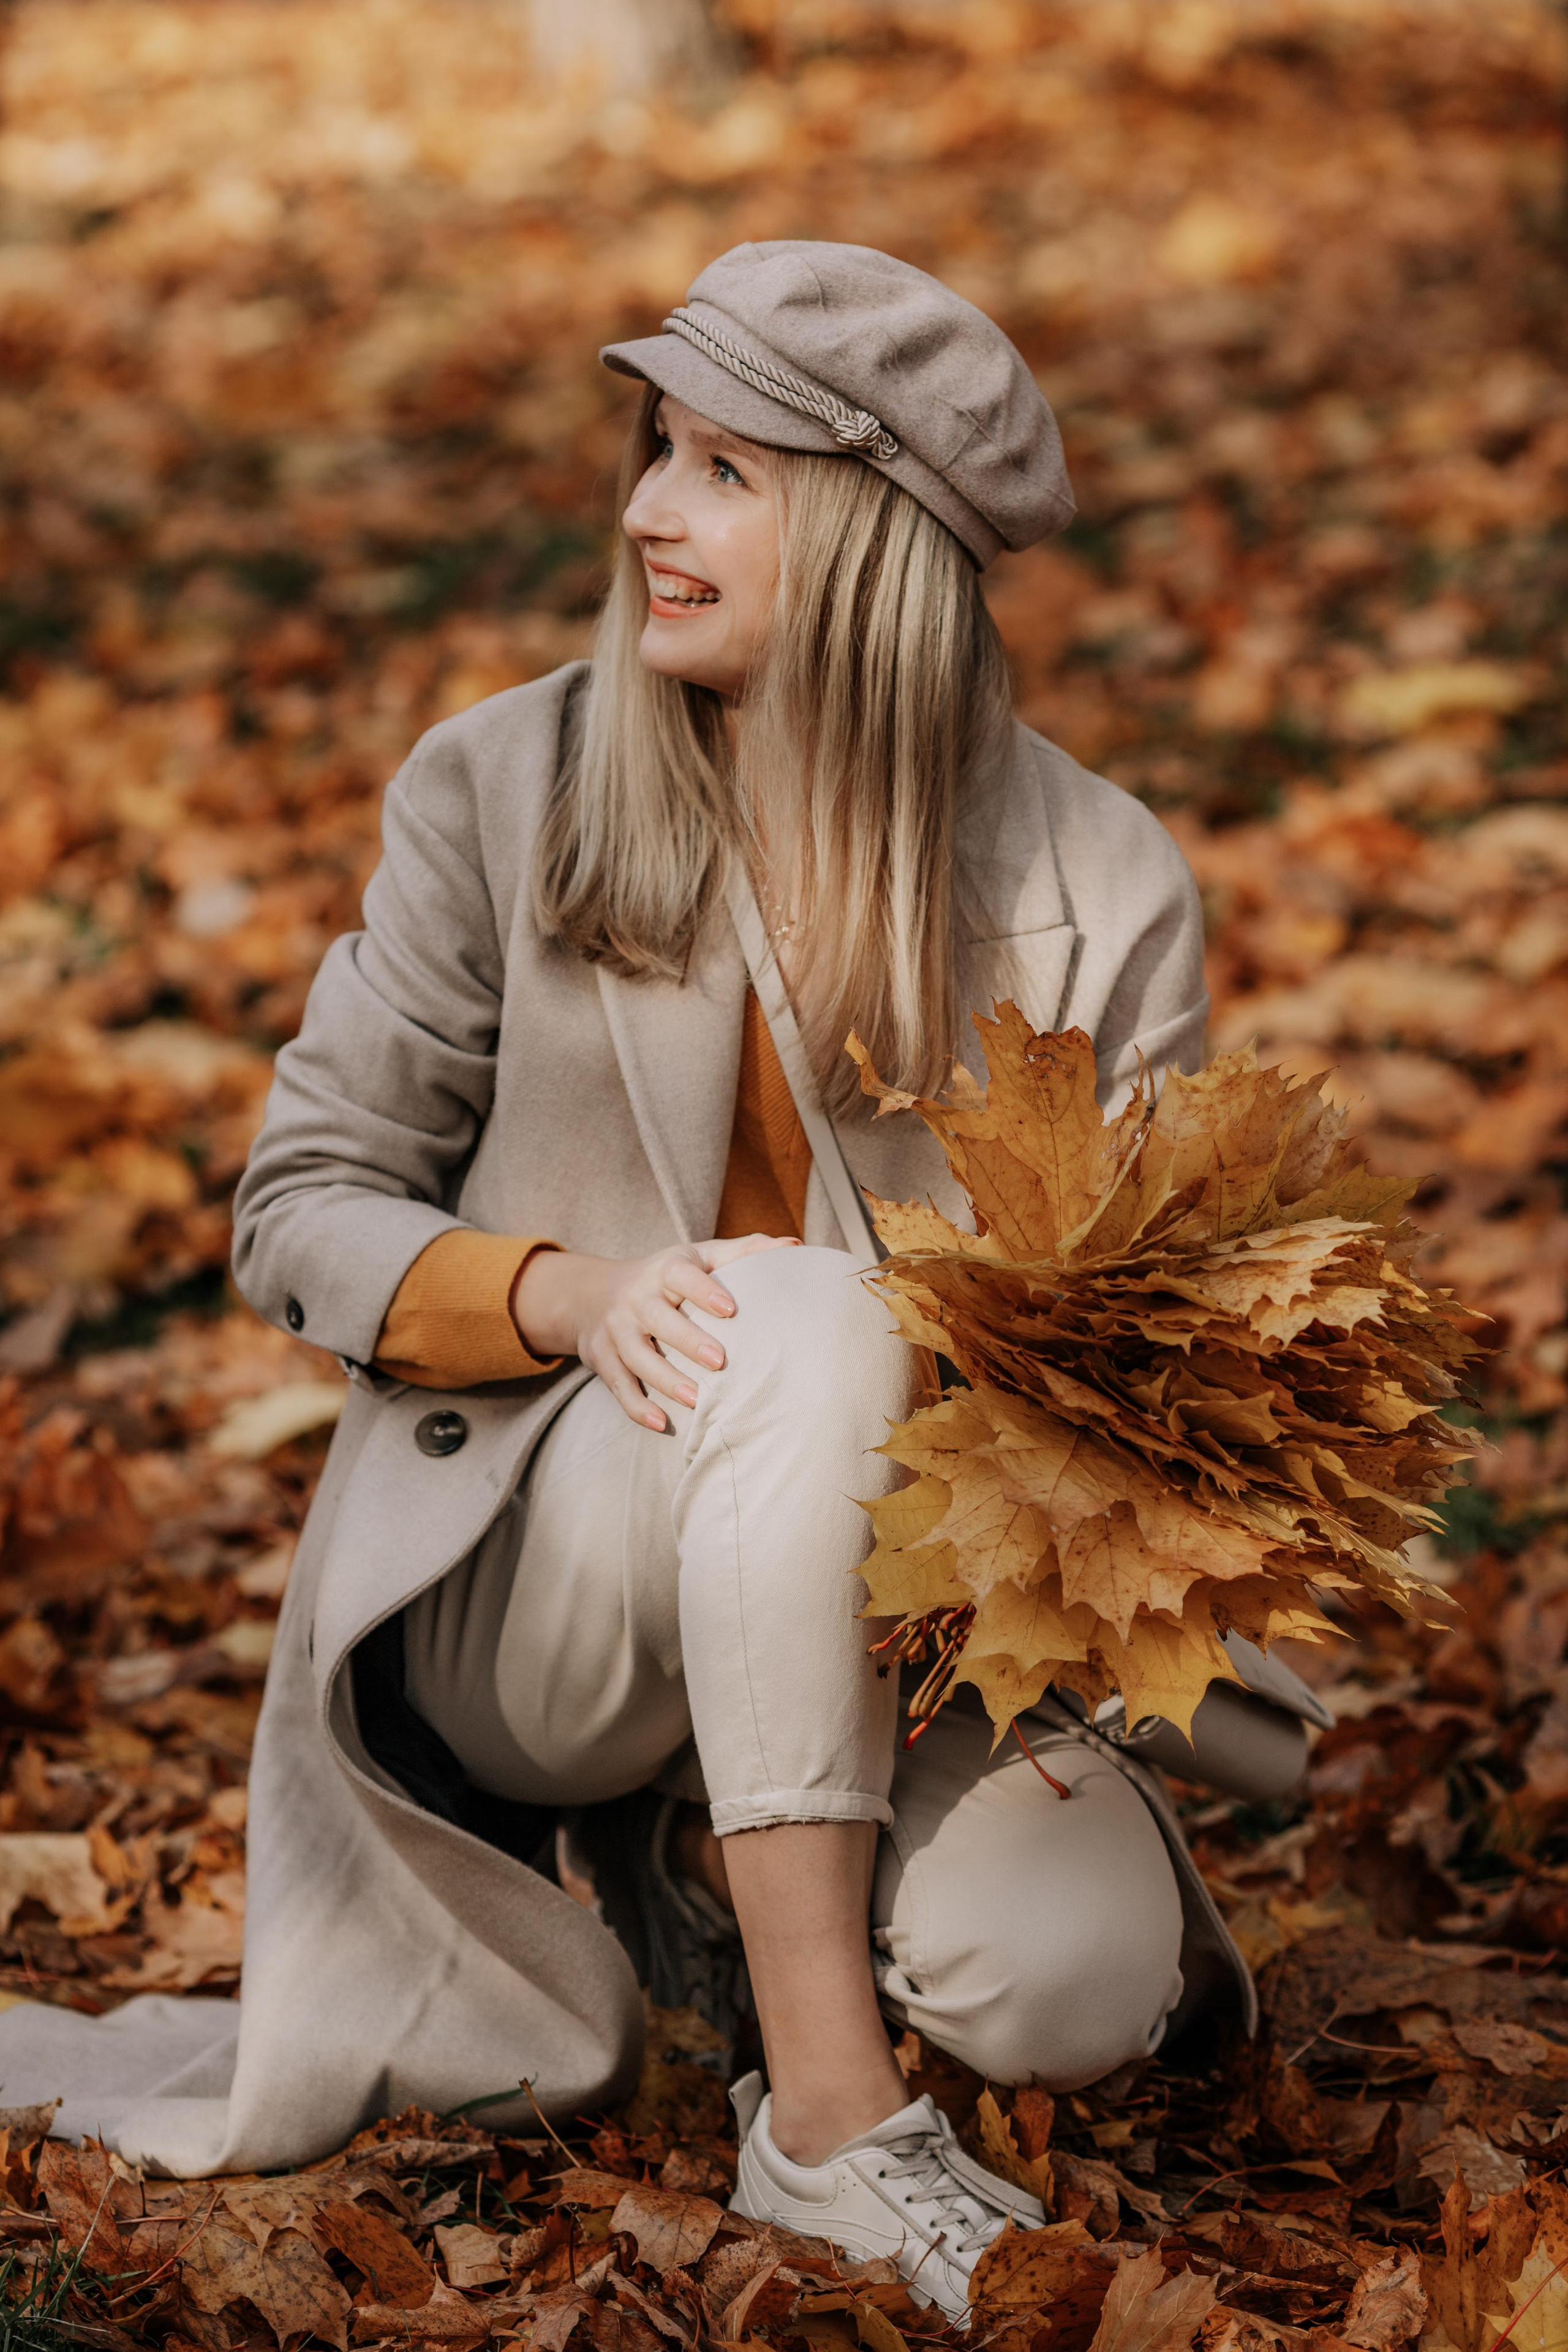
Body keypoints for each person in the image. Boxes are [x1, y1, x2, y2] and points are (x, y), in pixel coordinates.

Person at [0, 243, 1327, 2312]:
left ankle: (724, 1899)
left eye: (721, 469)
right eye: (656, 452)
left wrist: (1053, 1582)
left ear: (875, 534)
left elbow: (1155, 1360)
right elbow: (304, 1199)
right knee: (789, 1311)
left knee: (1065, 1986)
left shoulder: (1098, 878)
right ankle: (827, 2123)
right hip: (551, 1579)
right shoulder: (502, 785)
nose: (644, 513)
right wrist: (565, 1295)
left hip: (919, 1605)